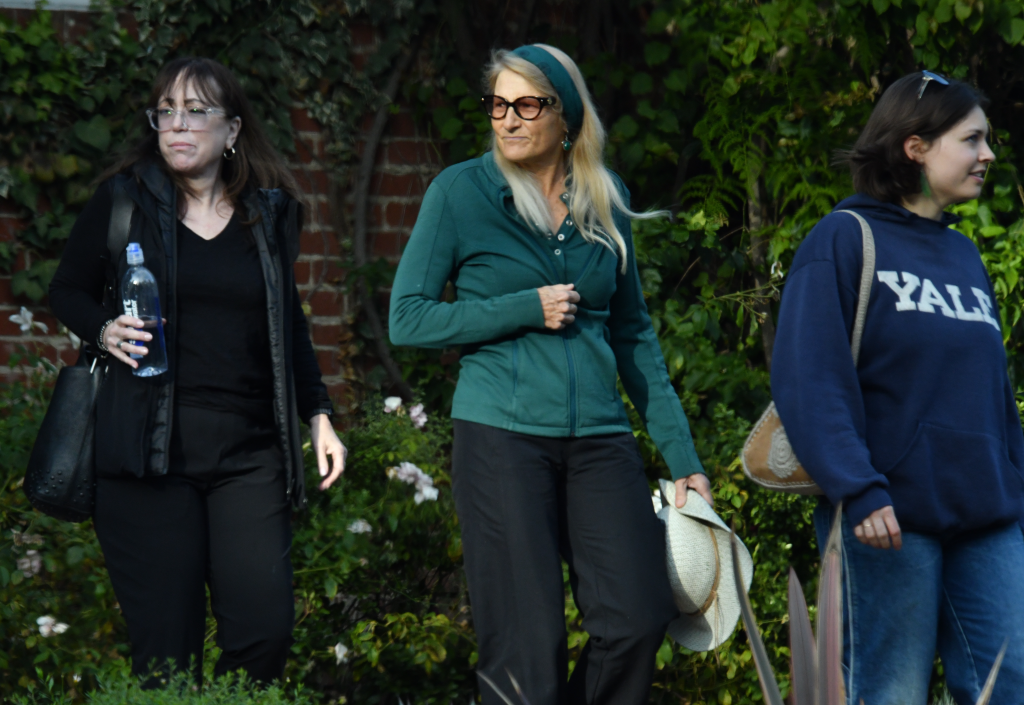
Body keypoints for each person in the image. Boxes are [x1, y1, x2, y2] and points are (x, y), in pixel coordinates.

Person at [388, 44, 710, 705]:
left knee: (638, 616)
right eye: (498, 105)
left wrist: (683, 458)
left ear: (566, 117)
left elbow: (634, 336)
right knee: (525, 646)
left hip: (599, 435)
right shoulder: (459, 192)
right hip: (500, 437)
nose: (507, 119)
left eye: (526, 105)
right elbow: (408, 319)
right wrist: (522, 309)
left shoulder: (604, 198)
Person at [48, 57, 346, 685]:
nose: (177, 126)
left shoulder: (267, 218)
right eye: (166, 113)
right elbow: (67, 290)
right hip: (145, 457)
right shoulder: (124, 199)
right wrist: (103, 328)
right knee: (166, 658)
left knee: (264, 631)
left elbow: (286, 322)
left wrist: (318, 413)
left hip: (247, 454)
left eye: (196, 112)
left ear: (232, 130)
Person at [772, 71, 1024, 704]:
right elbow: (812, 380)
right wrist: (858, 489)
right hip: (885, 520)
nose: (987, 155)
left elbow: (995, 401)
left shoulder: (965, 256)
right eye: (971, 140)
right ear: (916, 147)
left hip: (987, 521)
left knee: (1011, 681)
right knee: (890, 693)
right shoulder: (842, 240)